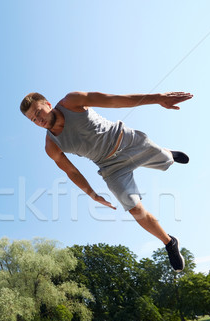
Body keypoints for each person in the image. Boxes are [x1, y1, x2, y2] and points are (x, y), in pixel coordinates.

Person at [20, 91, 193, 272]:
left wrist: (159, 98)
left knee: (165, 159)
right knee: (134, 208)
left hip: (126, 141)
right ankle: (169, 242)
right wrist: (93, 194)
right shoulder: (51, 145)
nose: (39, 120)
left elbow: (115, 100)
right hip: (110, 167)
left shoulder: (72, 101)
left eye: (38, 112)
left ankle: (168, 154)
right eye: (33, 120)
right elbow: (71, 171)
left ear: (47, 104)